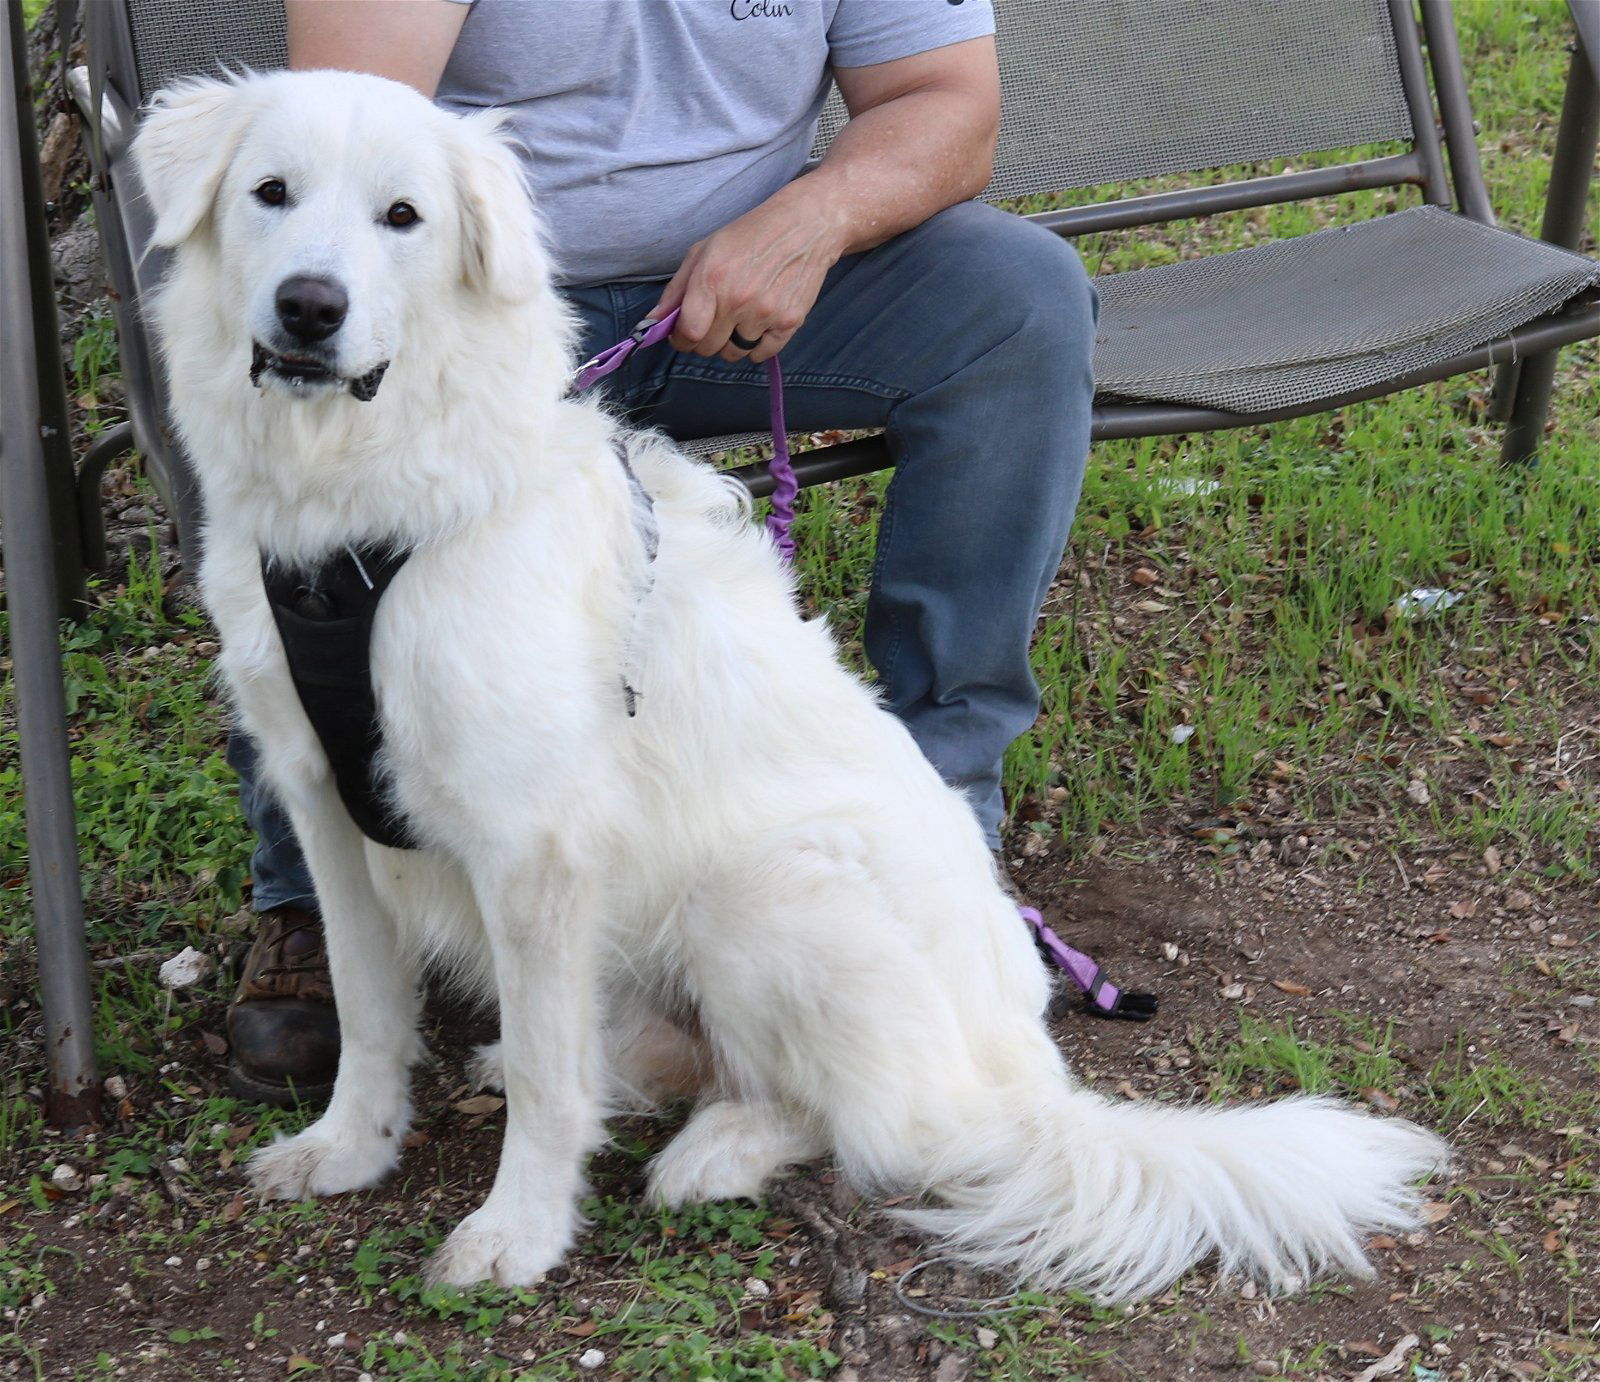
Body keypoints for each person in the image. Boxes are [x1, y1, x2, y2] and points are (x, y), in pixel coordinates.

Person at [225, 0, 1098, 1108]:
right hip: (472, 297)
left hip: (750, 290)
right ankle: (308, 892)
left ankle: (933, 816)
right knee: (332, 469)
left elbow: (947, 104)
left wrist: (814, 216)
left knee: (1015, 302)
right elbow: (351, 130)